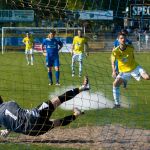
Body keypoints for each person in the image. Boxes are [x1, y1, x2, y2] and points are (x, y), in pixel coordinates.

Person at [0, 76, 90, 137]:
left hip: (33, 132)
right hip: (34, 117)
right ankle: (83, 87)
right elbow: (14, 115)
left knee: (57, 123)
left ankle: (76, 114)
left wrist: (6, 131)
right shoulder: (10, 103)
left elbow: (12, 119)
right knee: (57, 100)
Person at [111, 32, 150, 108]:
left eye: (124, 38)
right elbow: (112, 61)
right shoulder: (115, 51)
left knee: (147, 77)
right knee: (115, 84)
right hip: (124, 72)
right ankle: (117, 104)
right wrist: (113, 70)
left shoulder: (131, 48)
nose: (123, 39)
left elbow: (133, 57)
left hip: (134, 68)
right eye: (121, 38)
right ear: (118, 40)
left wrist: (137, 67)